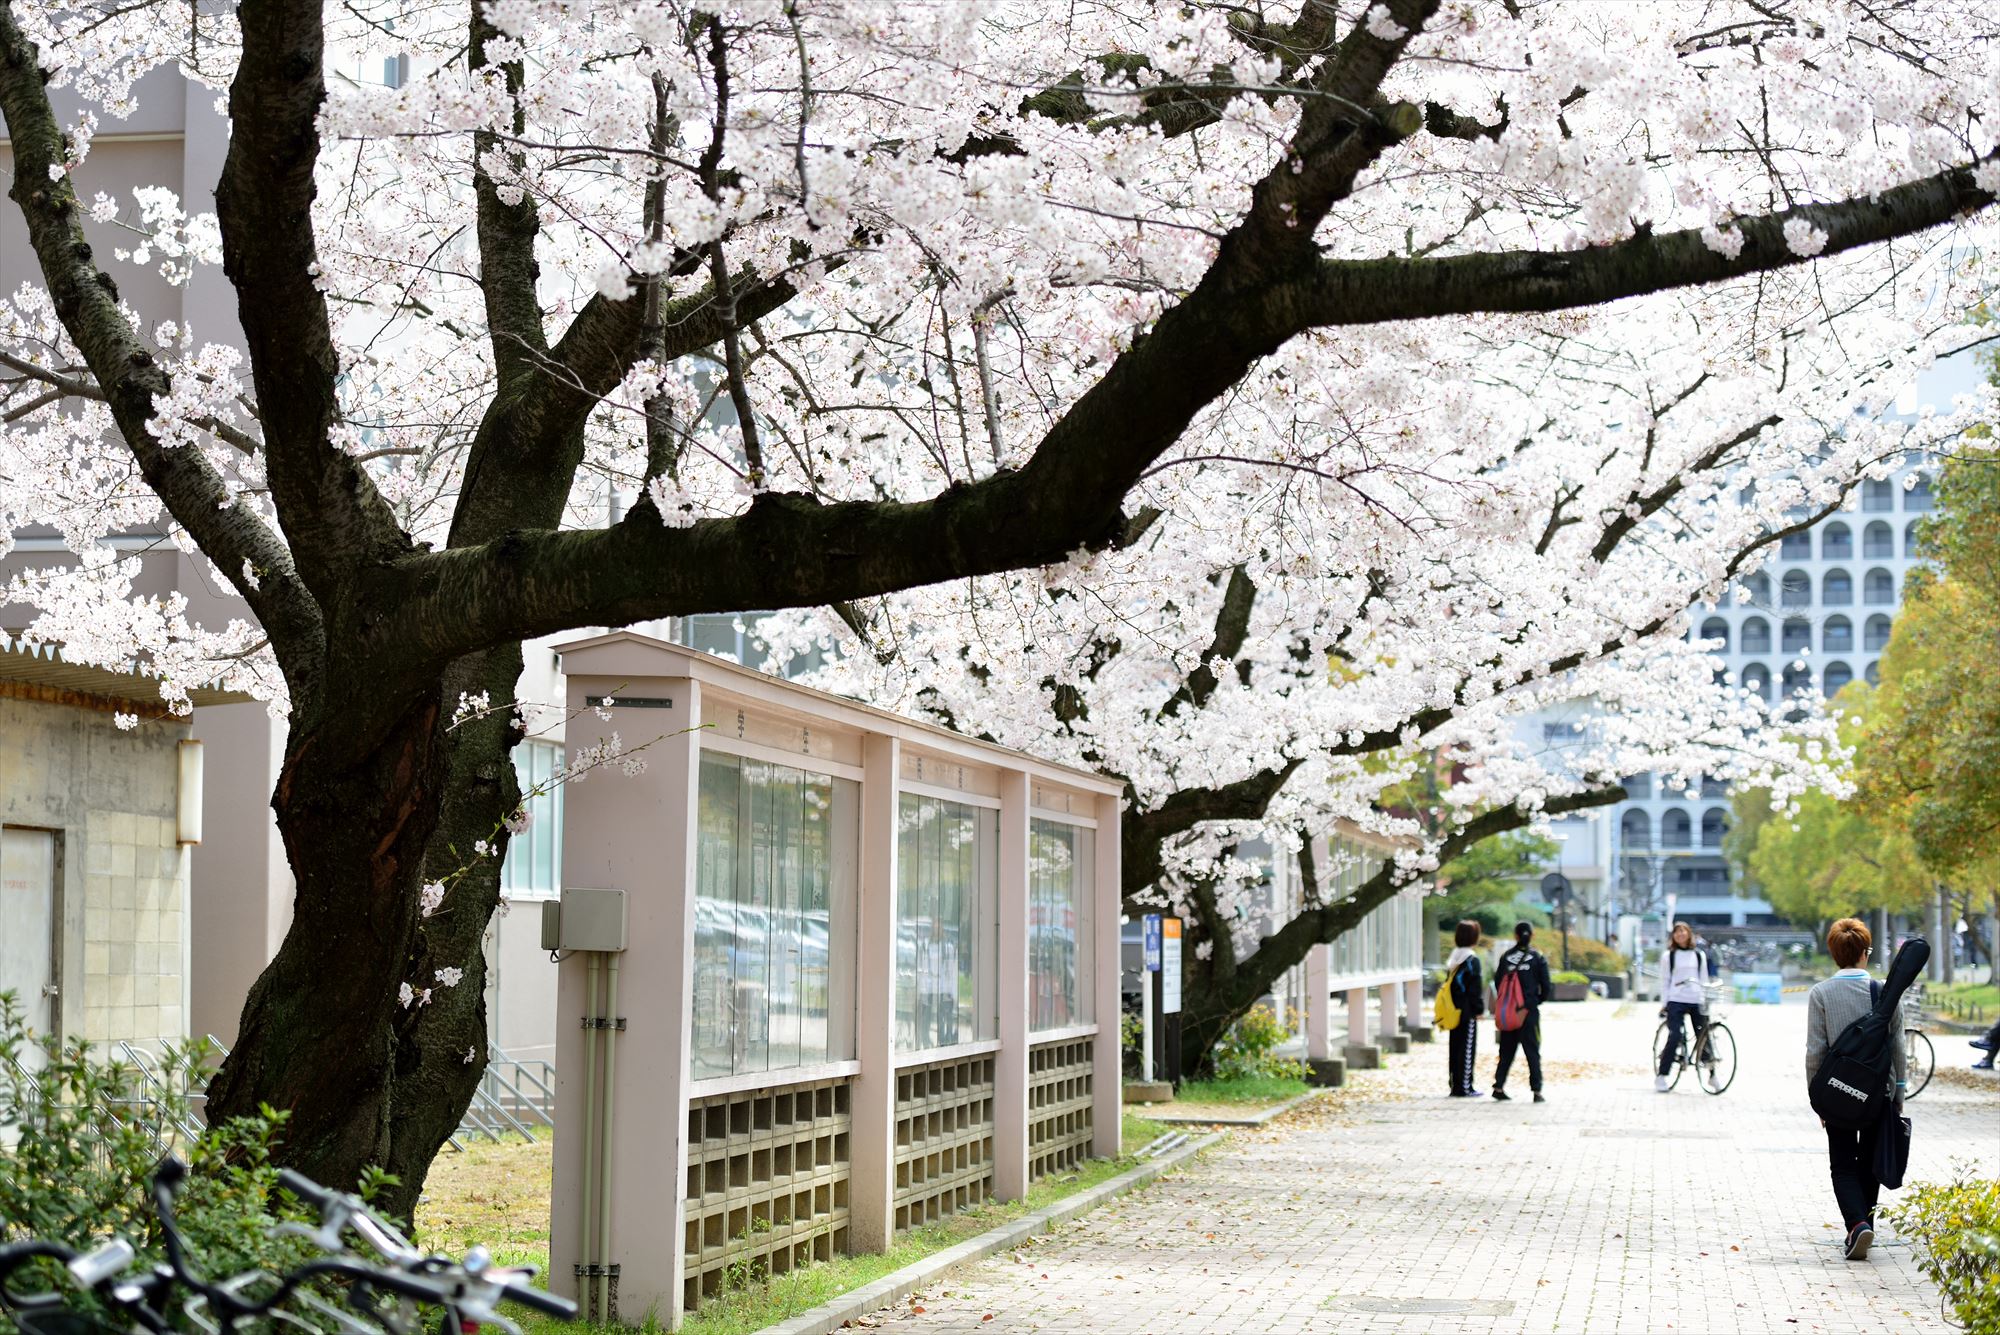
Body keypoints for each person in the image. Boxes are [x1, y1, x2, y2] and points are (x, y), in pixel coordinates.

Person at [1806, 918, 1908, 1261]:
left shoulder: (1821, 993)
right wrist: (1898, 1094)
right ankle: (1865, 1226)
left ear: (1834, 953)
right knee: (1869, 1162)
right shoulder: (1884, 992)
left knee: (1842, 1164)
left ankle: (1857, 1225)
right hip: (1877, 1093)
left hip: (1837, 1093)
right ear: (1865, 953)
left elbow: (1815, 1051)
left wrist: (1819, 1101)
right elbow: (1898, 1047)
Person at [1490, 921, 1552, 1103]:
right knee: (1532, 1051)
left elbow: (1498, 982)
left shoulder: (1506, 957)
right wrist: (1536, 1001)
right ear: (1532, 935)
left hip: (1509, 1012)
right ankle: (1537, 1091)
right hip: (1528, 1012)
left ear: (1515, 936)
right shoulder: (1537, 957)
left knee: (1506, 1050)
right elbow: (1546, 986)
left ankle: (1498, 1086)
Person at [1654, 921, 1709, 1093]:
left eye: (1683, 931)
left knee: (1704, 1035)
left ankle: (1711, 1071)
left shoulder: (1699, 955)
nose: (1680, 934)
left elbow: (1704, 978)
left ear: (1689, 934)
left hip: (1695, 998)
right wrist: (1665, 1003)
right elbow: (1665, 981)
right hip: (1676, 999)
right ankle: (1662, 1074)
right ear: (1673, 936)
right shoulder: (1668, 956)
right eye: (1677, 932)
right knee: (1675, 1035)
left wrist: (1704, 998)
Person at [1444, 920, 1486, 1097]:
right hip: (1467, 1011)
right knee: (1467, 1048)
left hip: (1452, 1009)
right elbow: (1475, 989)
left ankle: (1454, 1084)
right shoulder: (1471, 959)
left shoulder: (1453, 958)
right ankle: (1465, 1086)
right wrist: (1479, 1009)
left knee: (1455, 1047)